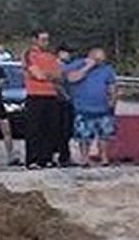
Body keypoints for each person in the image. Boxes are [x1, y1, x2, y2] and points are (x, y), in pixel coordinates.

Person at [63, 47, 118, 166]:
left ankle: (104, 158)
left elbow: (112, 86)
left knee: (105, 135)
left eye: (102, 59)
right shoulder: (77, 64)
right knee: (84, 136)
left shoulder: (107, 69)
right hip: (83, 107)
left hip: (103, 108)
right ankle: (85, 158)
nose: (100, 62)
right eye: (98, 59)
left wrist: (113, 100)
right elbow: (71, 79)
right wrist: (88, 67)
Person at [22, 30, 63, 169]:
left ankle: (47, 158)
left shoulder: (51, 56)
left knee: (50, 128)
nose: (46, 42)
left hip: (51, 95)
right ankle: (33, 159)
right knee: (34, 128)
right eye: (43, 39)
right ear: (34, 40)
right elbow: (38, 75)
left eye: (47, 39)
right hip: (35, 95)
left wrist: (48, 75)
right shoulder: (29, 55)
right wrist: (49, 75)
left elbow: (59, 76)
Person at [55, 44, 76, 167]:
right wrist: (67, 97)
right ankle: (62, 156)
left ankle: (65, 155)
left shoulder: (67, 66)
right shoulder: (57, 66)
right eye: (67, 52)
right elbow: (57, 84)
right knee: (63, 130)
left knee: (66, 130)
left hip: (66, 101)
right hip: (60, 102)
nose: (69, 55)